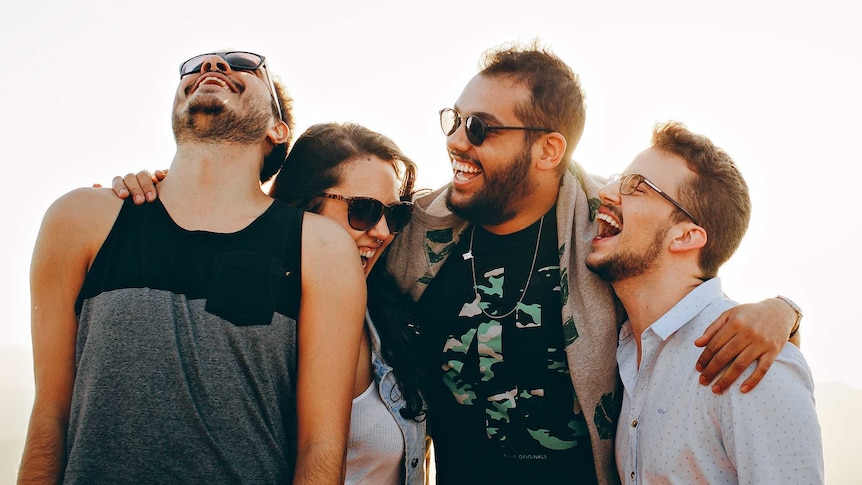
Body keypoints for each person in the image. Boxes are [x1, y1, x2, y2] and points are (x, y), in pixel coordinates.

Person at [383, 42, 802, 484]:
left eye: (478, 127)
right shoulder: (412, 233)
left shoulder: (608, 229)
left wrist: (783, 312)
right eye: (453, 120)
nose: (455, 140)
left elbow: (688, 286)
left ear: (548, 150)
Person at [18, 51, 366, 484]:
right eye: (198, 64)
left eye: (243, 65)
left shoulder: (320, 248)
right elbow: (50, 416)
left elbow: (320, 448)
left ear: (278, 130)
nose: (214, 66)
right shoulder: (80, 219)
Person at [585, 121, 823, 483]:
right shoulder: (626, 348)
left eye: (637, 187)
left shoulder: (751, 361)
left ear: (685, 236)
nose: (607, 191)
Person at [269, 122, 428, 484]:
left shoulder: (386, 318)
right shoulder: (259, 324)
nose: (383, 232)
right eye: (364, 210)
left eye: (395, 214)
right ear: (302, 206)